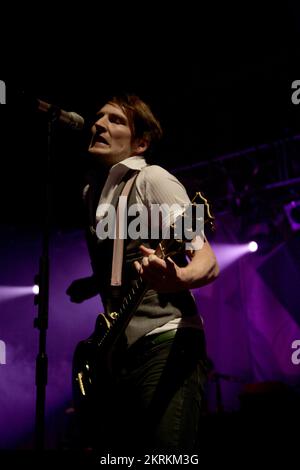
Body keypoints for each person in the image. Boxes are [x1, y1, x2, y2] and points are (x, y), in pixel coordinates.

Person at [67, 92, 219, 456]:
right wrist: (92, 284)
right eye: (99, 117)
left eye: (115, 120)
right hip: (118, 351)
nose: (99, 124)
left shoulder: (154, 178)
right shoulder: (91, 194)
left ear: (141, 142)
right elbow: (123, 262)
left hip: (168, 339)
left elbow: (207, 260)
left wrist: (179, 278)